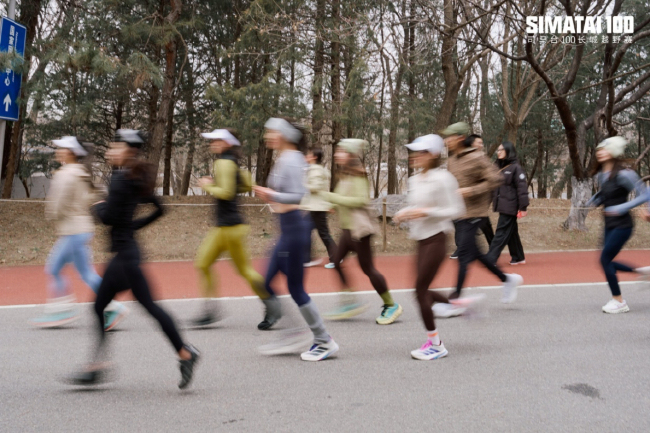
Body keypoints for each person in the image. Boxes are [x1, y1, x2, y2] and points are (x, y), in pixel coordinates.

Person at [67, 129, 199, 388]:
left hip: (124, 259)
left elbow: (110, 217)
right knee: (147, 307)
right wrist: (132, 225)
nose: (109, 152)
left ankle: (98, 366)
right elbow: (159, 209)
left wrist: (97, 208)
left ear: (128, 150)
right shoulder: (134, 177)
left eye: (114, 147)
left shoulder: (121, 179)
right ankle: (185, 353)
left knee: (106, 307)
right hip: (129, 254)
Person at [253, 118, 339, 361]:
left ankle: (322, 340)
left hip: (294, 230)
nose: (267, 136)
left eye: (271, 132)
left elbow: (300, 195)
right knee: (266, 282)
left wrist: (272, 195)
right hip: (287, 230)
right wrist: (272, 196)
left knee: (294, 288)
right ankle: (297, 333)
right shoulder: (286, 158)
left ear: (283, 135)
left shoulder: (292, 159)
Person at [31, 136, 128, 330]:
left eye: (62, 148)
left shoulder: (66, 174)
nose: (58, 151)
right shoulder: (81, 172)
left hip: (73, 231)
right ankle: (109, 306)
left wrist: (53, 214)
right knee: (82, 272)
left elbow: (59, 203)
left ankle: (64, 310)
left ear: (70, 153)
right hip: (80, 229)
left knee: (56, 269)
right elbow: (94, 195)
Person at [395, 135, 478, 360]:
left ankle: (436, 345)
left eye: (421, 152)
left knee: (420, 291)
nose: (415, 156)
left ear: (433, 154)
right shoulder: (414, 180)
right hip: (420, 240)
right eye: (414, 151)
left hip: (437, 239)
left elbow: (457, 210)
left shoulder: (443, 178)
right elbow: (415, 207)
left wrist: (426, 212)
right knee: (420, 291)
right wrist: (404, 213)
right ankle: (455, 304)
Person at [191, 128, 279, 329]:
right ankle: (210, 310)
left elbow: (227, 193)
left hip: (231, 228)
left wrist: (207, 185)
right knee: (203, 263)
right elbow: (245, 186)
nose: (212, 143)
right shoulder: (231, 162)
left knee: (245, 270)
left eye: (216, 140)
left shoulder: (224, 163)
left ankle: (272, 303)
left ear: (227, 143)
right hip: (224, 227)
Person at [319, 139, 403, 324]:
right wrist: (331, 205)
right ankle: (350, 302)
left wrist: (330, 197)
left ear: (350, 154)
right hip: (348, 230)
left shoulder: (359, 175)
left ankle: (391, 305)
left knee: (368, 269)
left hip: (359, 231)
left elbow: (359, 200)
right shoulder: (345, 175)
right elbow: (341, 199)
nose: (336, 154)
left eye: (341, 151)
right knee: (335, 261)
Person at [442, 122, 523, 305]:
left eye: (450, 137)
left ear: (460, 138)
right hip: (459, 213)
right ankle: (507, 280)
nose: (446, 140)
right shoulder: (452, 160)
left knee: (463, 255)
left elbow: (496, 179)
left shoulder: (477, 158)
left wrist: (471, 190)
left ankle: (455, 298)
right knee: (476, 254)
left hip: (475, 213)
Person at [587, 136, 650, 314]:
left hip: (623, 225)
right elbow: (605, 193)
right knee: (606, 261)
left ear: (613, 151)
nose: (600, 152)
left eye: (604, 149)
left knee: (605, 260)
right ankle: (643, 272)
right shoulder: (602, 174)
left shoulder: (625, 174)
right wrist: (595, 199)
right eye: (599, 149)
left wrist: (623, 207)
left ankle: (619, 301)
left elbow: (645, 194)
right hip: (608, 223)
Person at [450, 134, 493, 259]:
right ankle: (461, 248)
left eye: (481, 143)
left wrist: (473, 190)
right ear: (471, 143)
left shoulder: (481, 158)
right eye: (479, 142)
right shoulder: (459, 159)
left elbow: (492, 180)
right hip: (464, 202)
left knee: (484, 226)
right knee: (460, 224)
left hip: (479, 201)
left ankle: (493, 248)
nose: (481, 145)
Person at [486, 142, 529, 266]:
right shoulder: (497, 167)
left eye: (501, 150)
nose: (498, 152)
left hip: (510, 206)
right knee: (511, 232)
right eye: (498, 150)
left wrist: (523, 207)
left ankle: (490, 258)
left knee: (501, 232)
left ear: (508, 151)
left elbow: (522, 189)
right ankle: (518, 257)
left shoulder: (516, 168)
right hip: (502, 205)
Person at [301, 147, 338, 269]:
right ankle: (307, 258)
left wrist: (302, 185)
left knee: (323, 233)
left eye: (309, 154)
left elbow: (316, 187)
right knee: (306, 230)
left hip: (318, 208)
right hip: (315, 207)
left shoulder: (316, 170)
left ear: (314, 157)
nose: (306, 156)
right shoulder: (315, 169)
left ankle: (336, 258)